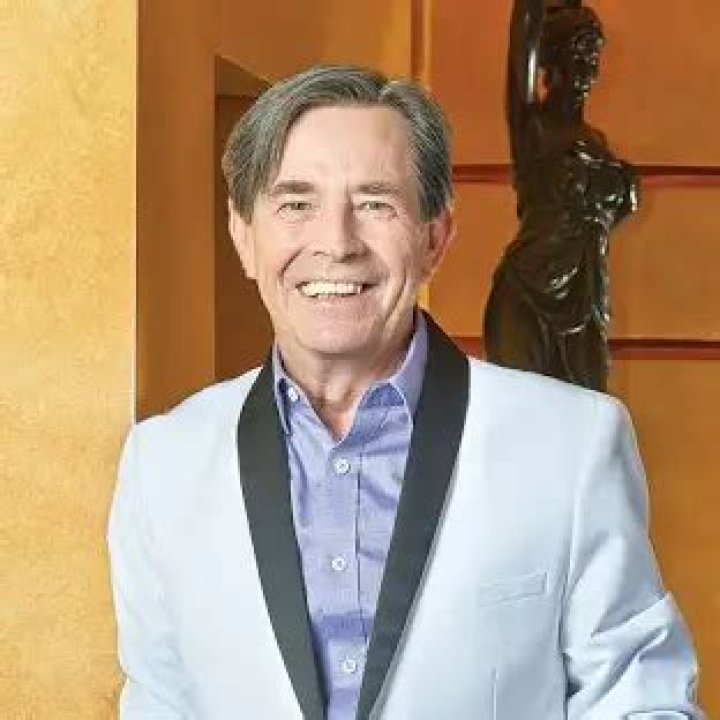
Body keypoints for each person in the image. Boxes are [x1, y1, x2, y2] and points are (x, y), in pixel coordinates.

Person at [108, 65, 702, 719]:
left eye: (375, 203)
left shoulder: (572, 444)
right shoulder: (162, 464)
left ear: (434, 238)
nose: (336, 243)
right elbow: (160, 705)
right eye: (296, 204)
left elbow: (642, 700)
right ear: (243, 236)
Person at [484, 0, 639, 391]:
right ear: (551, 60)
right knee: (523, 411)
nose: (587, 67)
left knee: (589, 410)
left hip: (586, 296)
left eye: (592, 56)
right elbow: (521, 40)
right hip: (529, 289)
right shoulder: (532, 126)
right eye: (577, 54)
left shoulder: (598, 144)